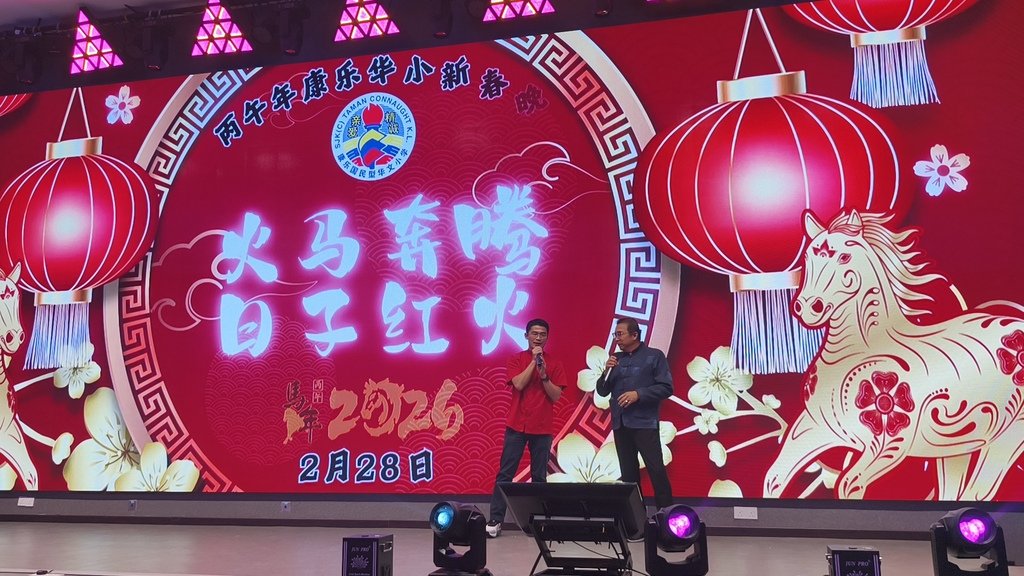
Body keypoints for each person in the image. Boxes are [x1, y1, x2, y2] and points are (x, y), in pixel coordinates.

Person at [487, 318, 566, 538]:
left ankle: (539, 521)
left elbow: (555, 396)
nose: (538, 338)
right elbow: (519, 384)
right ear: (526, 336)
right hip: (516, 426)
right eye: (534, 333)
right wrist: (534, 362)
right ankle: (495, 520)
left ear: (547, 338)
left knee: (539, 476)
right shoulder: (516, 359)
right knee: (505, 473)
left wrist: (544, 375)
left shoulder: (555, 363)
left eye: (542, 334)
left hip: (542, 428)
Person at [596, 317, 674, 509]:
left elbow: (666, 388)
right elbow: (602, 391)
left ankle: (666, 515)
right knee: (628, 475)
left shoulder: (654, 356)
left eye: (620, 334)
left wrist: (638, 394)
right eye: (615, 334)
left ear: (634, 335)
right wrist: (606, 371)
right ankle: (637, 518)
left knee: (656, 470)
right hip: (621, 423)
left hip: (644, 423)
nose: (616, 338)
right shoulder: (616, 358)